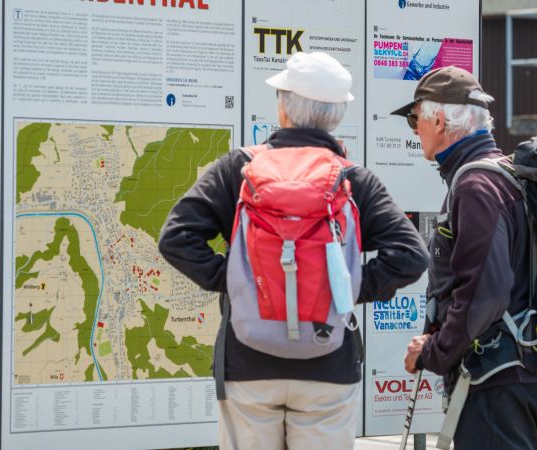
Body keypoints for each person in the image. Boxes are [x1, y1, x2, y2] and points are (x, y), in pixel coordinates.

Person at [158, 52, 428, 450]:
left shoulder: (239, 168)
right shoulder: (354, 180)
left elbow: (176, 238)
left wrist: (236, 280)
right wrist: (346, 288)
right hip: (329, 363)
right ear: (337, 116)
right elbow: (411, 256)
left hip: (247, 361)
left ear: (283, 108)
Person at [395, 66, 537, 450]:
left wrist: (433, 353)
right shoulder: (504, 174)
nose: (414, 128)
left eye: (414, 118)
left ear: (438, 118)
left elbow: (485, 292)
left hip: (495, 381)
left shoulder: (475, 185)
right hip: (520, 373)